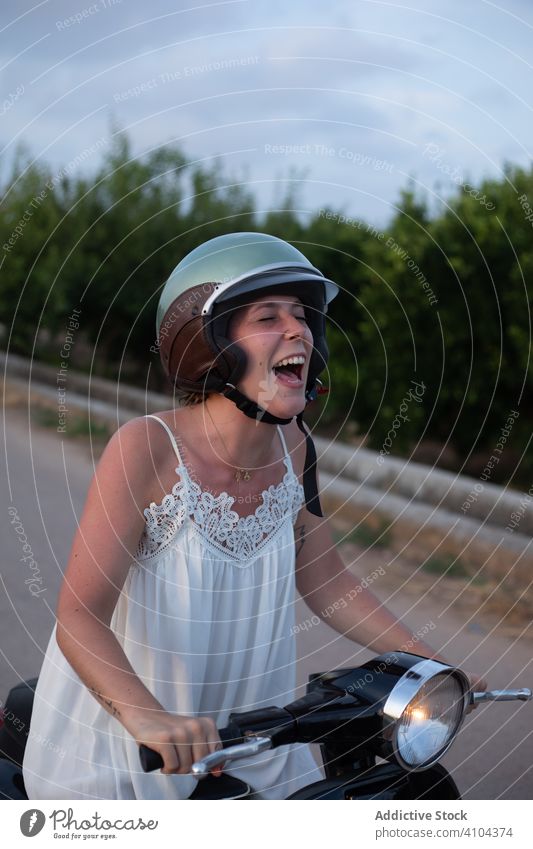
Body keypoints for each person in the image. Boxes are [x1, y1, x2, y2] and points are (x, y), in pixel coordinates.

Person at [23, 232, 485, 800]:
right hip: (130, 746)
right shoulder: (146, 448)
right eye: (268, 316)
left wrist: (431, 662)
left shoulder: (296, 447)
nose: (298, 330)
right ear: (207, 345)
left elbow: (327, 578)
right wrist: (148, 719)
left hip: (252, 741)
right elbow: (78, 614)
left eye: (302, 315)